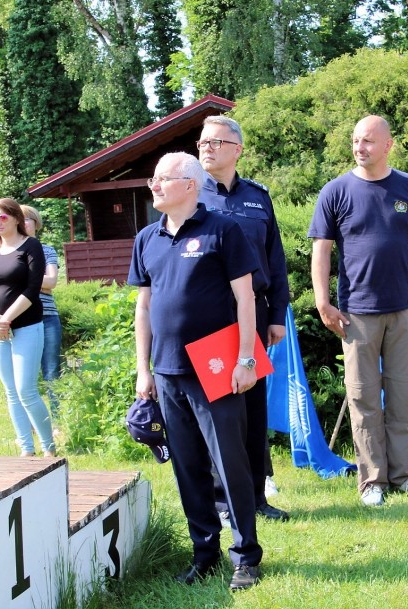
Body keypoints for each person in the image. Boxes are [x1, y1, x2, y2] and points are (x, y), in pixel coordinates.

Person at [128, 152, 263, 591]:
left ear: (189, 184)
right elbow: (143, 307)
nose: (154, 186)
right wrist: (142, 370)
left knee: (230, 464)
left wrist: (246, 359)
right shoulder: (147, 237)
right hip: (166, 373)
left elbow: (245, 299)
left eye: (162, 179)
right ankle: (204, 553)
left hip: (216, 368)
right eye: (153, 179)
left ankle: (245, 556)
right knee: (187, 467)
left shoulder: (223, 230)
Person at [308, 115, 408, 507]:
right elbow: (322, 250)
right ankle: (372, 482)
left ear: (388, 145)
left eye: (367, 141)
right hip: (356, 315)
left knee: (402, 397)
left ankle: (402, 476)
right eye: (355, 141)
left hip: (404, 313)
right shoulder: (335, 191)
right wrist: (322, 301)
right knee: (364, 399)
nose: (359, 147)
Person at [196, 115, 290, 523]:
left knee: (253, 411)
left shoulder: (257, 197)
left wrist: (279, 315)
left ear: (237, 149)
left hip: (256, 314)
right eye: (202, 142)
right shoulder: (188, 191)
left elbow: (276, 259)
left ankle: (256, 497)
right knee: (220, 411)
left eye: (215, 142)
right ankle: (220, 501)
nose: (206, 148)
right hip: (210, 316)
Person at [0, 198, 55, 458]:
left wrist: (6, 319)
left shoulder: (31, 246)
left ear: (15, 219)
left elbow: (33, 289)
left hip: (25, 326)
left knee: (26, 390)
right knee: (11, 391)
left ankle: (49, 448)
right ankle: (26, 449)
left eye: (2, 218)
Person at [21, 205, 62, 416]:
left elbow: (52, 281)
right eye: (20, 219)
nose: (24, 223)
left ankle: (57, 420)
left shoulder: (47, 250)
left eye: (28, 219)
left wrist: (25, 281)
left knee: (52, 371)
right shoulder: (11, 252)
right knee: (25, 376)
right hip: (21, 320)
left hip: (48, 317)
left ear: (36, 223)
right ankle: (31, 422)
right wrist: (38, 282)